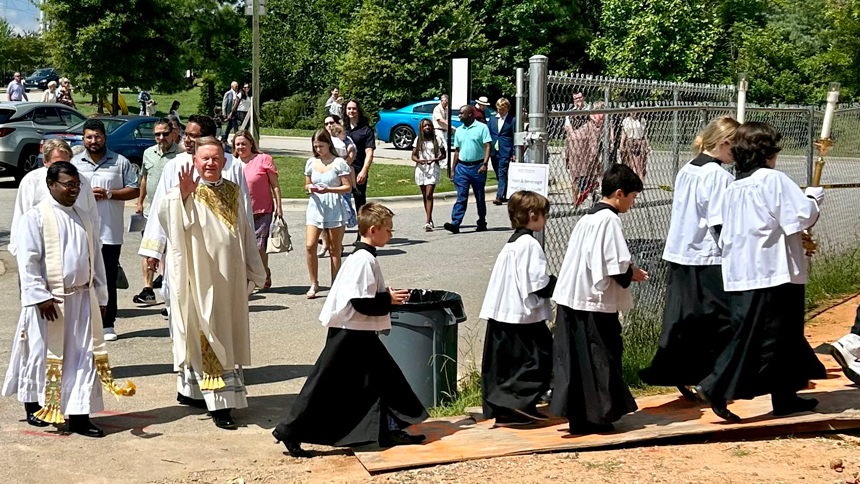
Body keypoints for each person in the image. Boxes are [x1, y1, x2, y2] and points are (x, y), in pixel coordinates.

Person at [272, 203, 428, 458]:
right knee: (325, 385)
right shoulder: (363, 260)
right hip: (350, 334)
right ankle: (289, 430)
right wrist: (389, 300)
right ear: (374, 230)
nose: (390, 235)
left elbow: (363, 297)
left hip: (357, 332)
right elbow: (361, 302)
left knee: (382, 382)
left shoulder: (363, 257)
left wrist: (386, 296)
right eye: (388, 230)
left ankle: (388, 428)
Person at [696, 122, 827, 423]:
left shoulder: (735, 185)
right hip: (772, 271)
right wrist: (813, 197)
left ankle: (785, 395)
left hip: (743, 270)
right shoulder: (772, 180)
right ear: (767, 152)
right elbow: (801, 216)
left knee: (782, 337)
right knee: (763, 338)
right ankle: (715, 385)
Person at [2, 162, 135, 436]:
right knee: (42, 354)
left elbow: (95, 259)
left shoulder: (84, 217)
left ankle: (79, 416)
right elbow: (28, 262)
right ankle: (36, 406)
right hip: (50, 302)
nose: (74, 190)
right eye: (68, 185)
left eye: (77, 185)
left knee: (83, 357)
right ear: (51, 185)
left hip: (82, 299)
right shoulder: (35, 218)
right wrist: (40, 297)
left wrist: (100, 294)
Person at [155, 137, 266, 429]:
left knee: (225, 333)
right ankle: (219, 405)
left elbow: (244, 232)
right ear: (195, 161)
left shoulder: (233, 190)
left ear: (224, 161)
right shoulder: (184, 191)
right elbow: (170, 223)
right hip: (201, 278)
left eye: (216, 158)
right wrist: (182, 197)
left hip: (229, 278)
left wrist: (256, 269)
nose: (210, 163)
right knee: (207, 331)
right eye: (204, 158)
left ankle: (196, 391)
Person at [638, 117, 740, 399]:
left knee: (686, 318)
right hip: (707, 256)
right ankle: (714, 377)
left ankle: (683, 372)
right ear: (724, 143)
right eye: (736, 147)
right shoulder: (717, 176)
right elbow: (718, 222)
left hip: (682, 252)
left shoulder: (688, 168)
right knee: (722, 318)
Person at [550, 164, 648, 435]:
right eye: (632, 196)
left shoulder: (587, 218)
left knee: (576, 360)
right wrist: (632, 272)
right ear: (619, 193)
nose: (633, 202)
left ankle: (579, 417)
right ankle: (599, 416)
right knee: (600, 357)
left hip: (572, 299)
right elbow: (614, 264)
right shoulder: (610, 220)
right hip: (593, 302)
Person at [139, 115, 252, 333]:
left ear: (210, 137)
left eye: (194, 136)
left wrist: (245, 252)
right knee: (182, 305)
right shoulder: (175, 166)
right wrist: (154, 249)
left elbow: (243, 210)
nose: (187, 140)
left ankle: (222, 361)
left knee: (221, 306)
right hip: (185, 248)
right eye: (186, 135)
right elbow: (161, 208)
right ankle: (187, 362)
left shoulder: (232, 166)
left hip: (220, 254)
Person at [480, 191, 555, 426]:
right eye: (543, 215)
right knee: (539, 361)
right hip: (523, 317)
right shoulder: (530, 244)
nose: (545, 220)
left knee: (507, 366)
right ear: (533, 215)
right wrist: (556, 283)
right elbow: (538, 284)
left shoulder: (511, 243)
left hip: (503, 313)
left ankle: (510, 407)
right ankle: (516, 406)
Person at [71, 119, 140, 342]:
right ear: (83, 139)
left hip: (110, 231)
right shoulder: (74, 163)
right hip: (80, 231)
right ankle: (84, 322)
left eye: (97, 136)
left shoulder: (120, 162)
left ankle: (108, 322)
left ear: (105, 138)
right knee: (81, 277)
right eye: (89, 137)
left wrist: (109, 194)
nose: (93, 141)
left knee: (108, 277)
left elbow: (134, 189)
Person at [9, 139, 98, 258]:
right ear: (45, 161)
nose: (63, 168)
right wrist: (18, 249)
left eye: (66, 163)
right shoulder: (32, 181)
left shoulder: (82, 181)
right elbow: (21, 215)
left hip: (76, 249)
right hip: (44, 249)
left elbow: (92, 215)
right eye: (57, 163)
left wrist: (95, 246)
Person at [132, 118, 181, 305]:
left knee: (171, 253)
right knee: (149, 249)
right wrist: (139, 201)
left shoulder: (181, 155)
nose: (161, 137)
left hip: (172, 212)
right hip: (151, 211)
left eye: (165, 134)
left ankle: (172, 298)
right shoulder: (148, 153)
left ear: (173, 134)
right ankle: (148, 289)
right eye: (157, 134)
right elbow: (144, 177)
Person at [304, 129, 352, 299]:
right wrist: (310, 188)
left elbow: (348, 186)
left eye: (321, 146)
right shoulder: (311, 162)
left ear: (328, 145)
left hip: (334, 206)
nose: (318, 149)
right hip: (316, 206)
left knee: (334, 249)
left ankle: (335, 283)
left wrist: (329, 189)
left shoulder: (339, 163)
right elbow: (307, 184)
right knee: (310, 245)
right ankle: (314, 283)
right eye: (315, 146)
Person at [235, 130, 282, 289]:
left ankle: (263, 273)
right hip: (239, 210)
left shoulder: (263, 159)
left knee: (259, 246)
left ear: (251, 144)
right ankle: (251, 278)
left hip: (262, 210)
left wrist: (279, 207)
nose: (241, 147)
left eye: (244, 144)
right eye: (238, 144)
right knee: (243, 246)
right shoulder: (232, 163)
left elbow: (274, 185)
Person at [443, 105, 491, 234]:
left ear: (469, 114)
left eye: (461, 113)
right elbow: (457, 151)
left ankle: (482, 221)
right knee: (461, 196)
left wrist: (485, 164)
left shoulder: (482, 128)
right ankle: (455, 223)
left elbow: (487, 146)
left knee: (479, 197)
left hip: (478, 167)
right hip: (462, 167)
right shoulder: (459, 130)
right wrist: (453, 170)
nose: (459, 116)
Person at [565, 100, 609, 207]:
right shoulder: (591, 125)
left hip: (574, 152)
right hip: (583, 154)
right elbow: (594, 147)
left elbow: (567, 135)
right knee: (591, 177)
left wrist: (567, 156)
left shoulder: (578, 124)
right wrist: (595, 159)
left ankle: (575, 202)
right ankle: (592, 199)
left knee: (576, 178)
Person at [344, 99, 376, 234]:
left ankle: (361, 235)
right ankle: (331, 238)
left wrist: (364, 171)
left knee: (360, 204)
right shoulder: (342, 129)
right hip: (342, 172)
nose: (351, 111)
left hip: (358, 171)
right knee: (339, 204)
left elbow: (369, 153)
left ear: (358, 110)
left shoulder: (366, 130)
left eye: (354, 108)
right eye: (349, 108)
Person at [411, 119, 445, 231]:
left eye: (429, 125)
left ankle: (427, 221)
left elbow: (443, 154)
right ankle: (429, 218)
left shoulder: (437, 139)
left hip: (432, 168)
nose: (427, 127)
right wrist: (419, 160)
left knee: (429, 194)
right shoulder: (418, 140)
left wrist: (435, 159)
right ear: (421, 127)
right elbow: (413, 155)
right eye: (425, 126)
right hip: (421, 169)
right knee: (425, 195)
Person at [489, 98, 515, 205]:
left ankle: (499, 196)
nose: (500, 112)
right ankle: (505, 192)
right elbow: (489, 134)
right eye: (499, 109)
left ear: (507, 109)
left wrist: (514, 152)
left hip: (505, 150)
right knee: (498, 173)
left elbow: (514, 136)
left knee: (502, 172)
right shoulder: (492, 119)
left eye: (503, 110)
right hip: (494, 150)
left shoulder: (512, 120)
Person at [619, 112, 651, 180]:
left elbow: (645, 134)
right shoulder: (626, 121)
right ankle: (638, 180)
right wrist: (621, 144)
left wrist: (648, 145)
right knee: (633, 163)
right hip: (630, 141)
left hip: (640, 141)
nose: (634, 113)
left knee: (641, 163)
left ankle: (640, 178)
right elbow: (624, 134)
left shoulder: (642, 120)